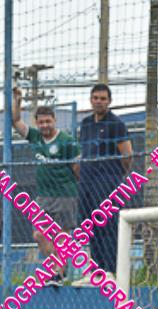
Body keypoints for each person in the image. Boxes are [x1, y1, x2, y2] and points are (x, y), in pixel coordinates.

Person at [12, 87, 80, 286]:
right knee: (39, 235)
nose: (44, 125)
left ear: (54, 120)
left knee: (61, 237)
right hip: (44, 195)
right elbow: (16, 121)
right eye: (41, 122)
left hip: (65, 195)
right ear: (37, 123)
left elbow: (77, 168)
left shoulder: (67, 141)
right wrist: (17, 100)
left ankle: (58, 274)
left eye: (48, 121)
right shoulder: (35, 137)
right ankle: (57, 267)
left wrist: (76, 190)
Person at [74, 82, 133, 285]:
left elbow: (127, 155)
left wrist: (115, 175)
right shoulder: (86, 123)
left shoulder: (116, 124)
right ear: (91, 100)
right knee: (89, 225)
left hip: (108, 180)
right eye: (95, 98)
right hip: (87, 181)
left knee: (108, 224)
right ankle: (95, 272)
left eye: (103, 98)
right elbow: (82, 152)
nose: (99, 102)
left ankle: (111, 270)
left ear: (109, 101)